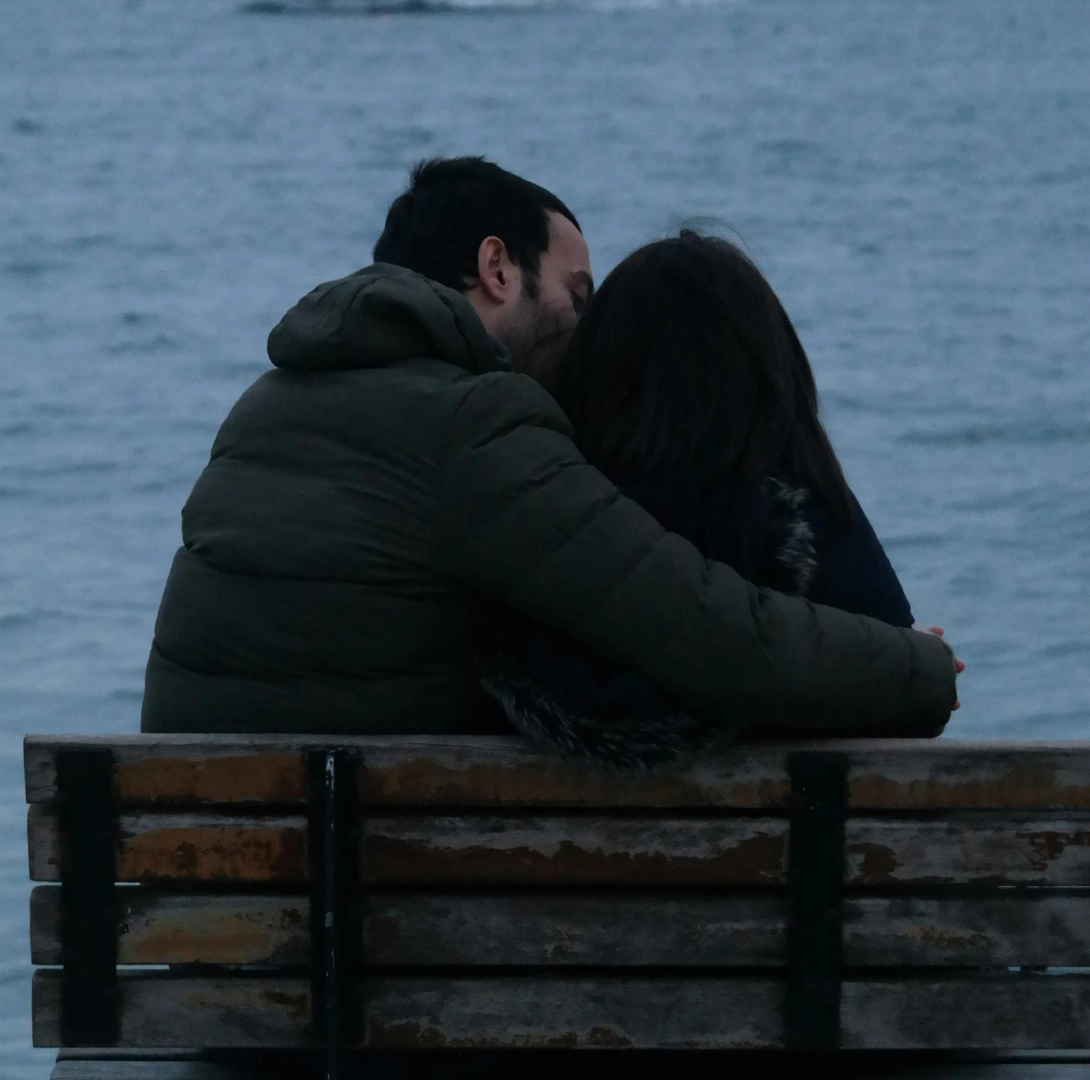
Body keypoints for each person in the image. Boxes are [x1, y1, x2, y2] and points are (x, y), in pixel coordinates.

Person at [141, 156, 957, 755]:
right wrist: (916, 664)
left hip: (209, 885)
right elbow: (705, 626)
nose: (588, 329)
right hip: (351, 903)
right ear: (498, 268)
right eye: (578, 291)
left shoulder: (270, 404)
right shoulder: (473, 428)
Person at [479, 229, 933, 1080]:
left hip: (581, 1009)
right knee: (825, 924)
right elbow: (901, 698)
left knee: (592, 939)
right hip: (808, 1011)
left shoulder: (564, 538)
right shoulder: (815, 527)